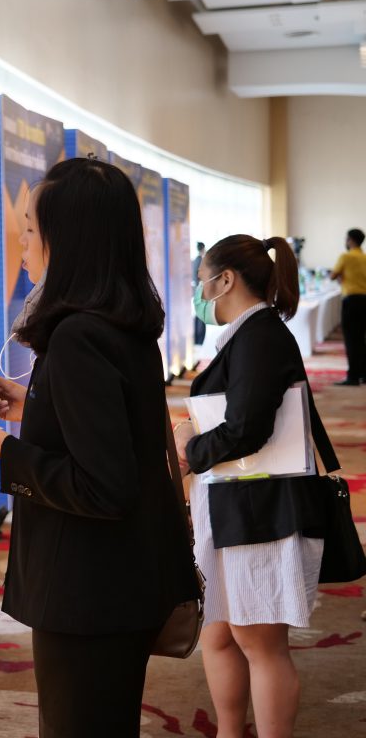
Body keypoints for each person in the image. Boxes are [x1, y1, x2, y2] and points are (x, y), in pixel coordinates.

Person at [0, 157, 199, 736]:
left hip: (90, 593)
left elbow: (103, 486)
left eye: (31, 229)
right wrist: (33, 408)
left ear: (69, 239)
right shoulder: (120, 323)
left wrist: (0, 450)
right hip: (121, 584)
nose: (23, 244)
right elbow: (116, 431)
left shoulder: (80, 335)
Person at [174, 235, 327, 738]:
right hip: (235, 503)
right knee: (219, 635)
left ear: (226, 280)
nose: (198, 291)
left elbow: (247, 429)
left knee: (260, 644)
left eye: (201, 280)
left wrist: (190, 447)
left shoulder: (260, 336)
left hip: (261, 511)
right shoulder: (246, 335)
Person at [330, 228, 366, 385]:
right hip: (365, 299)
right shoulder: (364, 257)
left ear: (350, 240)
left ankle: (353, 376)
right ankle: (364, 374)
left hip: (352, 300)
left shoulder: (346, 256)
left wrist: (341, 277)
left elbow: (333, 275)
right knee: (363, 338)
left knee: (352, 339)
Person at [193, 241, 207, 345]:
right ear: (202, 249)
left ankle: (198, 339)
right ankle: (199, 339)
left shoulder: (196, 261)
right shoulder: (200, 261)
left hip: (198, 291)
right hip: (201, 291)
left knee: (199, 314)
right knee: (201, 315)